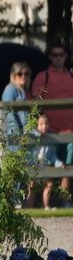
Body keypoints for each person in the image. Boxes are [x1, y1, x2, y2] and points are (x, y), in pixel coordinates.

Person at [30, 41, 73, 196]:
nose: (58, 58)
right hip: (48, 132)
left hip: (69, 132)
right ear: (49, 57)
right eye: (54, 55)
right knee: (42, 170)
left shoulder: (71, 76)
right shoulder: (43, 77)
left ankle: (64, 200)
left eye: (61, 55)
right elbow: (33, 103)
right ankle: (38, 202)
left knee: (67, 167)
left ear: (66, 56)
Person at [27, 112, 64, 209]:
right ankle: (28, 207)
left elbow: (52, 156)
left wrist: (59, 163)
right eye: (41, 124)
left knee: (49, 183)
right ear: (36, 125)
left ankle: (46, 206)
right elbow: (27, 154)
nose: (44, 126)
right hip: (34, 167)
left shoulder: (49, 139)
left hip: (45, 167)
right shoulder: (32, 136)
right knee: (32, 186)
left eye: (46, 124)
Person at [0, 60, 31, 149]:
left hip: (24, 134)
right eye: (20, 74)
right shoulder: (10, 90)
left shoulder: (23, 91)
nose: (23, 76)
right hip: (13, 134)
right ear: (13, 75)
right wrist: (18, 136)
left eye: (26, 73)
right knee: (14, 160)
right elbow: (9, 115)